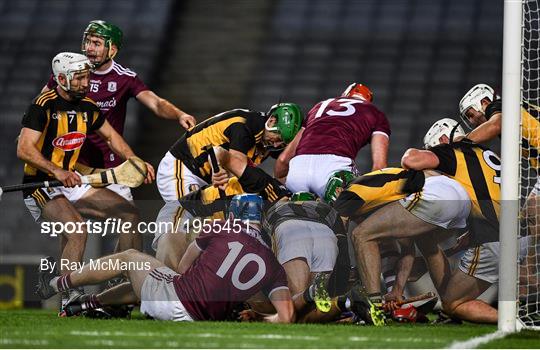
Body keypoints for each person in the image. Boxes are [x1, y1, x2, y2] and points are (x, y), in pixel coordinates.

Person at [18, 52, 154, 302]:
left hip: (72, 183)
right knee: (77, 228)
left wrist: (133, 160)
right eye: (79, 78)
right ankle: (70, 295)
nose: (86, 82)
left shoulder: (87, 106)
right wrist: (57, 171)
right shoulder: (42, 105)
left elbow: (112, 138)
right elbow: (24, 149)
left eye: (87, 76)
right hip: (42, 184)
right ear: (61, 78)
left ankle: (122, 281)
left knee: (130, 214)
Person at [36, 194, 295, 323]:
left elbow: (183, 268)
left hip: (176, 301)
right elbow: (285, 316)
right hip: (202, 318)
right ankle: (85, 304)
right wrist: (258, 318)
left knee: (130, 258)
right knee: (150, 278)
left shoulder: (220, 228)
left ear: (234, 213)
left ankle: (55, 284)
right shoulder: (272, 264)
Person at [42, 20, 195, 201]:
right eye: (88, 41)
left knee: (128, 221)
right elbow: (42, 104)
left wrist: (179, 114)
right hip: (73, 168)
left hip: (111, 170)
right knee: (76, 226)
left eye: (97, 43)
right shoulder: (69, 71)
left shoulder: (125, 78)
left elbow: (156, 103)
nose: (89, 48)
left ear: (112, 49)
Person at [397, 118, 502, 324]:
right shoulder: (486, 153)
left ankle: (516, 322)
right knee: (427, 241)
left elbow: (411, 159)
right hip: (522, 234)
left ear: (444, 139)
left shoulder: (452, 150)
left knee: (453, 303)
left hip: (494, 237)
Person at [157, 103, 303, 201]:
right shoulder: (243, 126)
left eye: (282, 143)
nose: (276, 144)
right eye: (278, 138)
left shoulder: (268, 139)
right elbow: (238, 165)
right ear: (271, 121)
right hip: (182, 167)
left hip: (211, 179)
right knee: (186, 219)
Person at [278, 83, 390, 198]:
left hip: (297, 170)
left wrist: (281, 181)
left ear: (345, 95)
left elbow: (283, 159)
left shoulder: (319, 106)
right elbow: (379, 167)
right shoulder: (375, 113)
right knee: (356, 197)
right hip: (333, 168)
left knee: (292, 198)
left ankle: (297, 202)